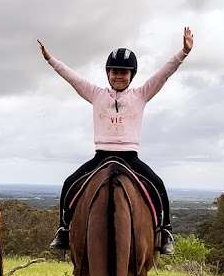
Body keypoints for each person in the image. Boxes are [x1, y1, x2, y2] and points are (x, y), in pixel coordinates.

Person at [37, 27, 194, 255]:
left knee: (158, 184)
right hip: (101, 156)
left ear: (132, 76)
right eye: (114, 72)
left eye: (124, 72)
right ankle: (64, 230)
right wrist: (50, 60)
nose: (119, 76)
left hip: (130, 157)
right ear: (108, 73)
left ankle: (166, 231)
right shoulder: (96, 94)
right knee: (69, 184)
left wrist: (183, 53)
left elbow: (164, 74)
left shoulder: (141, 94)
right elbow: (72, 77)